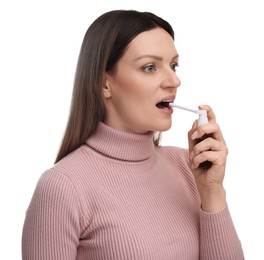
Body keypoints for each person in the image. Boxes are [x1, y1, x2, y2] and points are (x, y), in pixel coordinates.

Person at [22, 9, 244, 260]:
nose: (174, 80)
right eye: (150, 67)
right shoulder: (63, 187)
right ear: (104, 83)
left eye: (173, 65)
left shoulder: (187, 166)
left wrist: (211, 190)